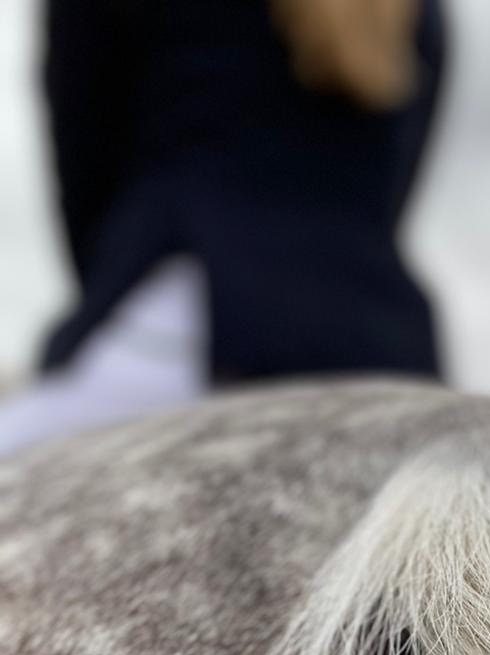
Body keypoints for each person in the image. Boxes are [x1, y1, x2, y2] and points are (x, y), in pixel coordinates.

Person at [0, 0, 446, 457]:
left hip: (188, 321)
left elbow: (86, 178)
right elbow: (391, 194)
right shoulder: (416, 10)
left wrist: (112, 281)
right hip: (386, 351)